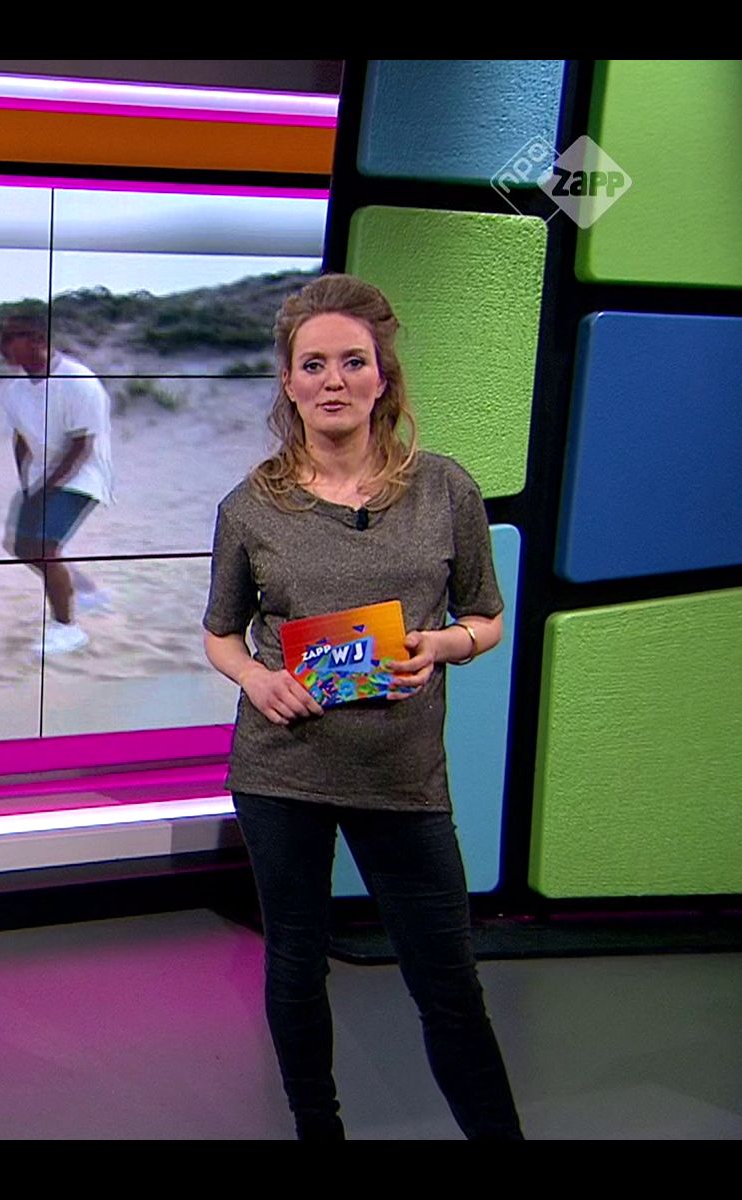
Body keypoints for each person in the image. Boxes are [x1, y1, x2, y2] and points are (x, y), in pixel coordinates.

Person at [201, 273, 523, 1141]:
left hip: (402, 775)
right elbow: (222, 635)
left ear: (383, 377)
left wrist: (443, 645)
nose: (333, 380)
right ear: (289, 381)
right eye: (313, 364)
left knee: (449, 986)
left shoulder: (445, 489)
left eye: (353, 361)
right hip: (283, 772)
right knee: (296, 967)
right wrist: (255, 678)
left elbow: (486, 617)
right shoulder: (251, 506)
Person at [0, 314, 115, 655]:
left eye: (13, 338)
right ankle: (86, 592)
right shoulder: (15, 391)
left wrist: (47, 490)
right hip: (41, 477)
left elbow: (82, 446)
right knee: (21, 546)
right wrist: (26, 483)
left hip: (83, 476)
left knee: (44, 547)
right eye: (4, 339)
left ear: (38, 339)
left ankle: (68, 629)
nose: (4, 347)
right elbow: (20, 439)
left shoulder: (79, 381)